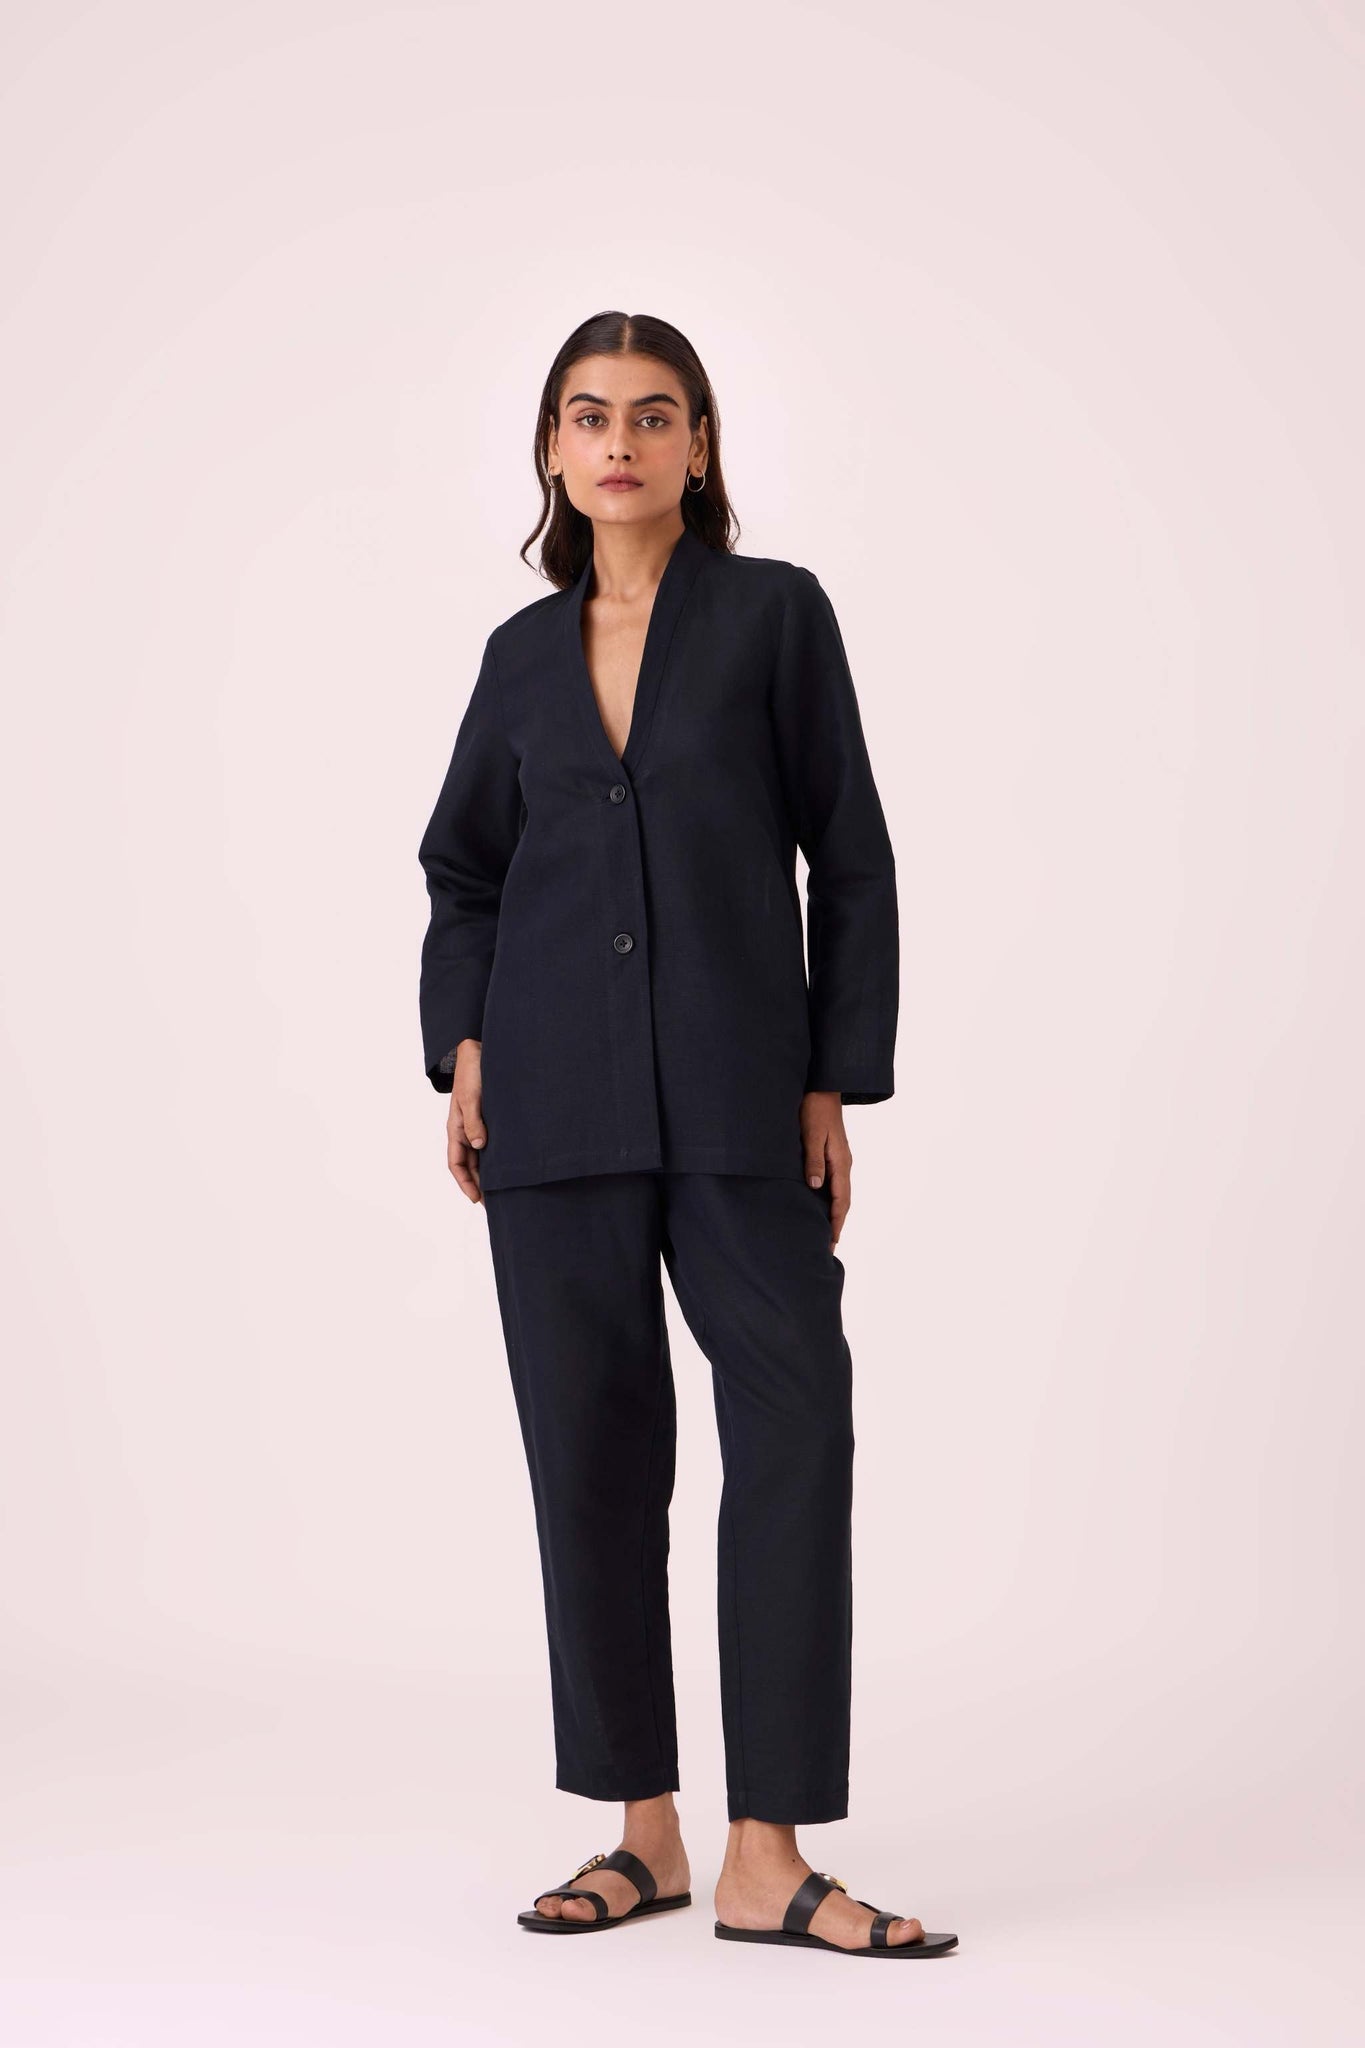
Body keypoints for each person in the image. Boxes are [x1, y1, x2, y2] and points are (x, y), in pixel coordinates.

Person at [417, 311, 957, 1961]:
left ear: (699, 445)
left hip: (736, 1095)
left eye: (654, 416)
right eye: (590, 416)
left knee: (794, 1428)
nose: (621, 442)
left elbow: (848, 857)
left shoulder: (773, 618)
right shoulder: (520, 656)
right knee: (589, 1457)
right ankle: (641, 1833)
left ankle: (765, 1855)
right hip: (553, 1107)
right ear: (552, 448)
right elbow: (464, 871)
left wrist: (832, 1077)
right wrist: (462, 1045)